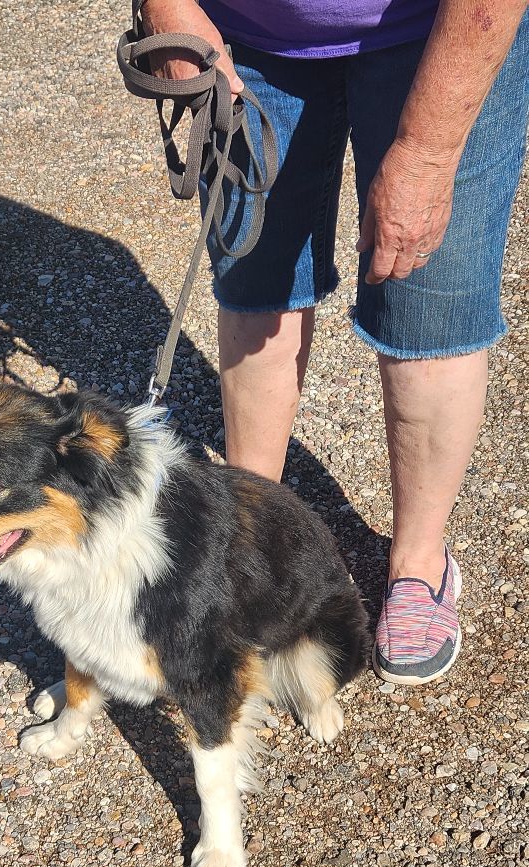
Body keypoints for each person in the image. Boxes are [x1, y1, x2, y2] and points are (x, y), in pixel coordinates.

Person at [139, 0, 529, 685]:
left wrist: (430, 153)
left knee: (429, 312)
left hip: (442, 31)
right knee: (255, 282)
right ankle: (250, 534)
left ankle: (419, 563)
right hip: (245, 38)